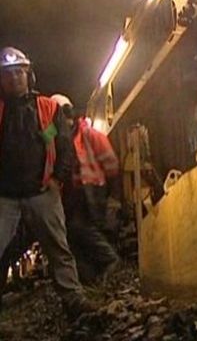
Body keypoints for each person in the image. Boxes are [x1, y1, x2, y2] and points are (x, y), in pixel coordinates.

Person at [0, 46, 94, 316]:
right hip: (5, 195)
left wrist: (56, 180)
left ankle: (74, 299)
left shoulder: (47, 109)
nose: (14, 78)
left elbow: (63, 146)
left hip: (41, 191)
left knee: (58, 247)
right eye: (7, 74)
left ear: (28, 74)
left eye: (19, 72)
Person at [50, 94, 121, 282]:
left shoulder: (88, 133)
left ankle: (110, 260)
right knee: (71, 237)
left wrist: (113, 195)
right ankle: (90, 279)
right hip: (67, 195)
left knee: (80, 228)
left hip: (90, 191)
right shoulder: (52, 134)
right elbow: (39, 141)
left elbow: (111, 164)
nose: (65, 118)